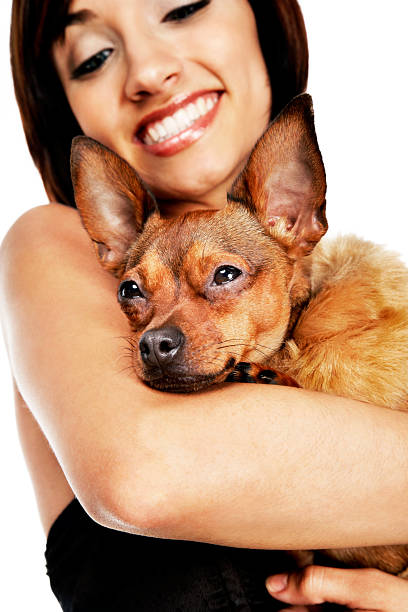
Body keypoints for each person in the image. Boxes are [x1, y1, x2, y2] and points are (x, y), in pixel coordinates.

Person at [2, 0, 408, 610]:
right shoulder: (55, 245)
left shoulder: (368, 317)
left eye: (183, 7)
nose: (146, 71)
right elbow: (144, 476)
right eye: (94, 57)